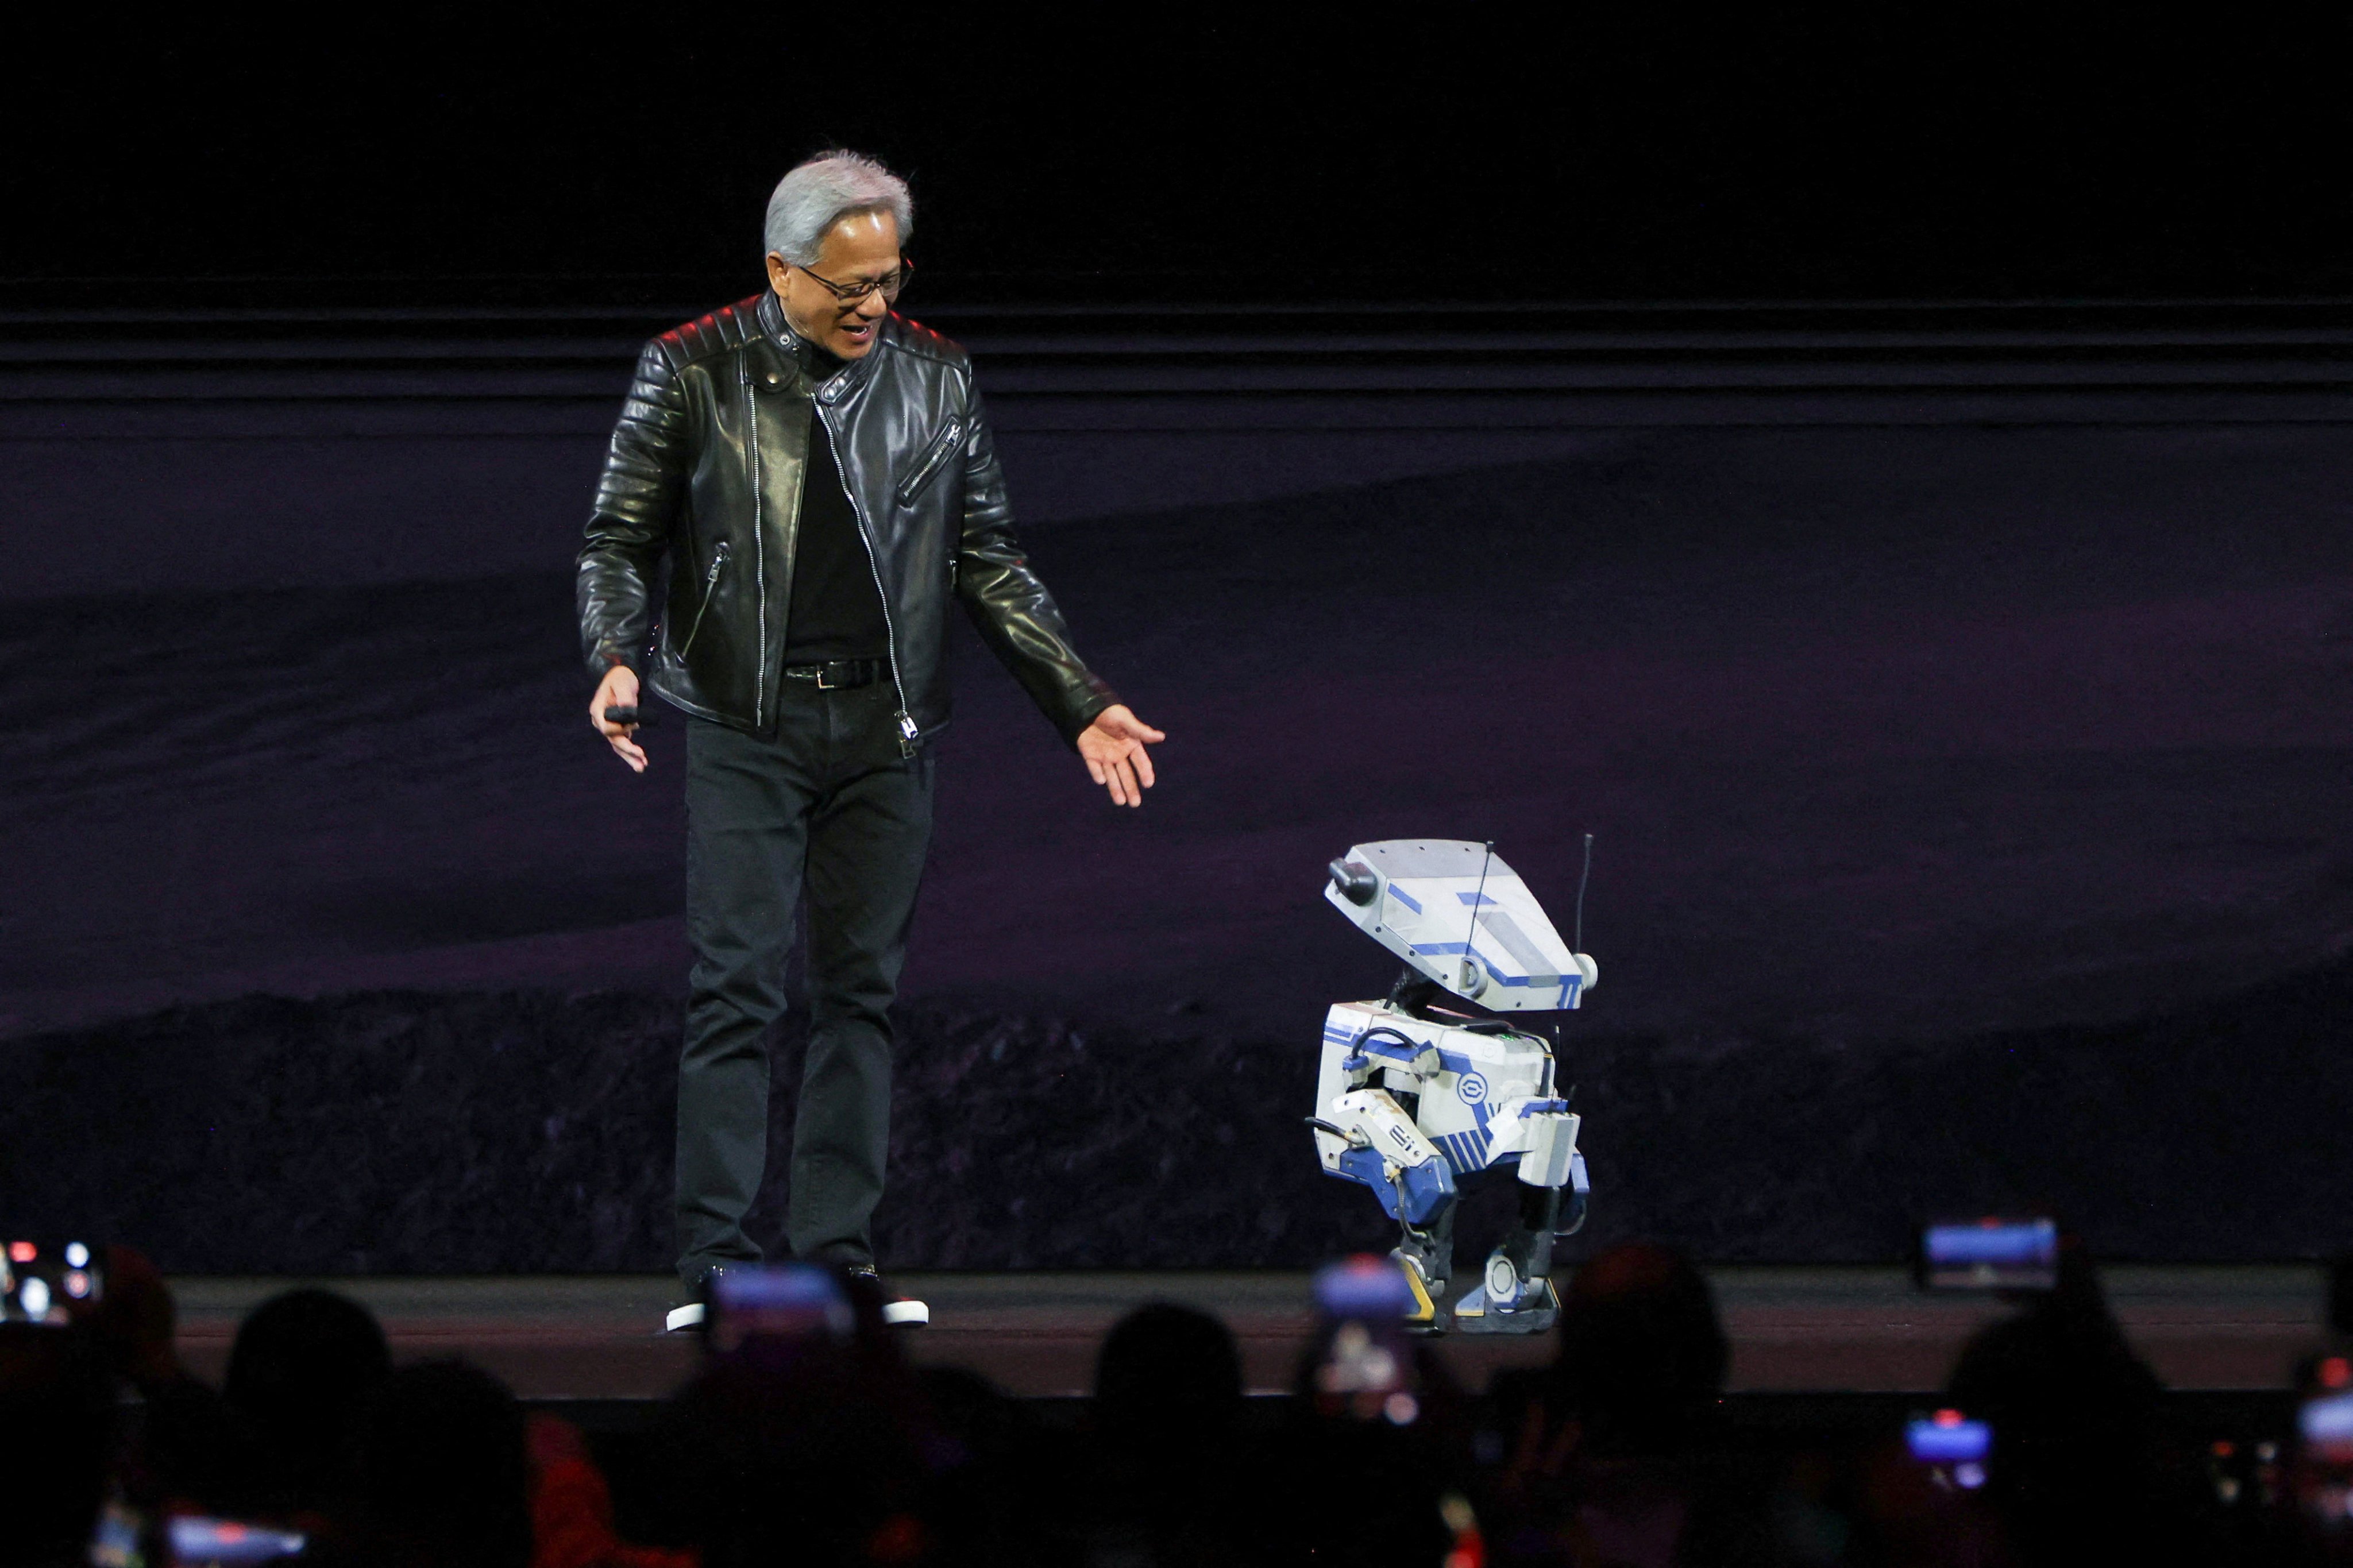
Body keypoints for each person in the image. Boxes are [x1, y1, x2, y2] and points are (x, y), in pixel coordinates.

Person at [577, 150, 1163, 1333]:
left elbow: (987, 559)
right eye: (845, 286)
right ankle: (713, 1265)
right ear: (778, 273)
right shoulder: (690, 369)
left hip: (887, 729)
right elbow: (617, 538)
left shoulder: (936, 379)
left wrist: (1077, 696)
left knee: (860, 995)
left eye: (886, 282)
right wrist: (615, 654)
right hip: (750, 724)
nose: (870, 307)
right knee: (735, 989)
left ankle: (838, 1257)